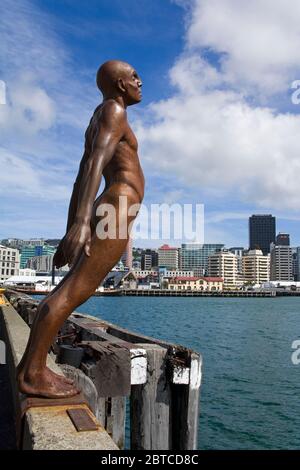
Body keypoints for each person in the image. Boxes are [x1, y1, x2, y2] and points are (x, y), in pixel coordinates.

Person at [17, 60, 144, 398]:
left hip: (111, 204)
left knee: (74, 286)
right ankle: (32, 374)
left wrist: (74, 225)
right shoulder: (114, 111)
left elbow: (82, 174)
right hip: (118, 204)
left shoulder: (101, 115)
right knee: (76, 289)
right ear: (119, 84)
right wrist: (79, 223)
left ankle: (32, 366)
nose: (139, 81)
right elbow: (94, 163)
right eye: (133, 76)